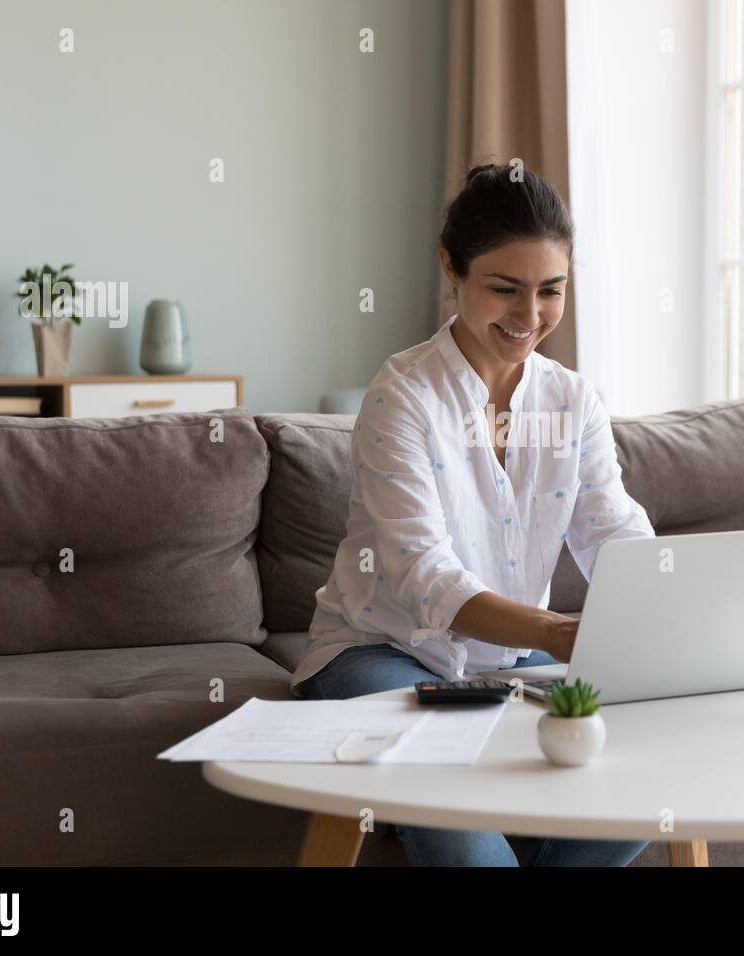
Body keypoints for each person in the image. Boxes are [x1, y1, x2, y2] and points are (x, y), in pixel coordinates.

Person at [290, 162, 656, 866]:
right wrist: (558, 631)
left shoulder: (574, 402)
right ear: (451, 270)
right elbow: (424, 576)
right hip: (382, 653)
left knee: (650, 782)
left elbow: (615, 530)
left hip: (513, 662)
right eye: (504, 289)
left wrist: (666, 608)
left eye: (551, 292)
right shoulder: (404, 395)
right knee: (462, 828)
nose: (529, 318)